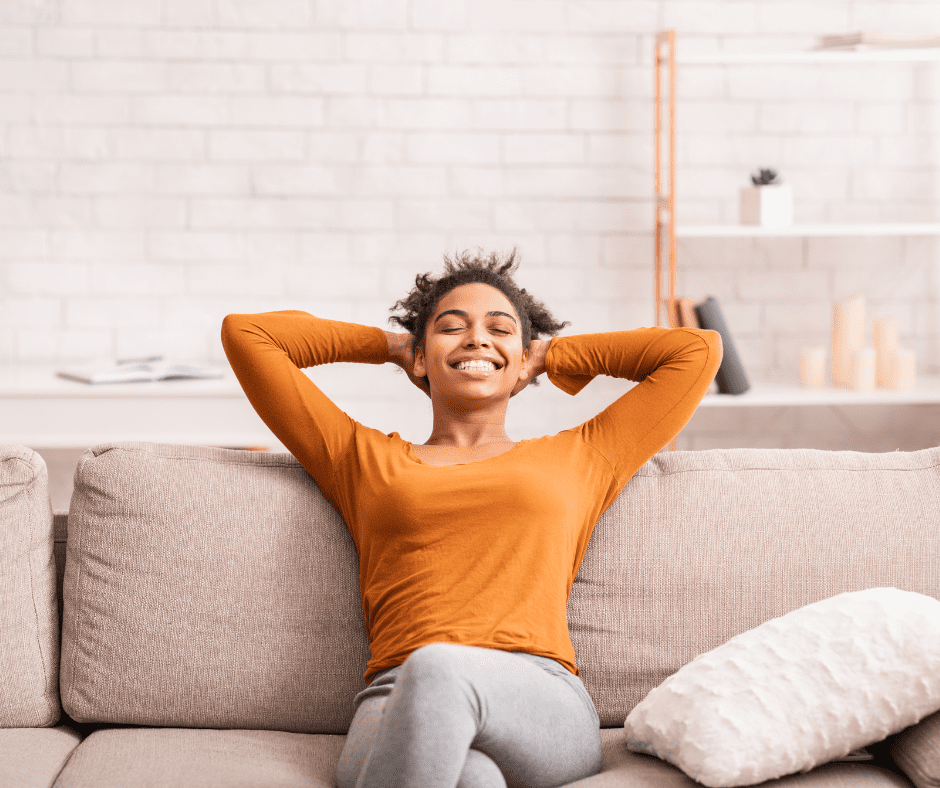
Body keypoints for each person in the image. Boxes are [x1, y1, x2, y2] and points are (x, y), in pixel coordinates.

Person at [220, 248, 722, 788]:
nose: (477, 339)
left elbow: (695, 350)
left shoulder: (582, 456)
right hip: (394, 697)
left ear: (523, 358)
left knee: (440, 668)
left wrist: (546, 354)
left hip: (538, 696)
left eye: (499, 329)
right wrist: (394, 346)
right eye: (451, 328)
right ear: (421, 357)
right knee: (473, 777)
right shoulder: (360, 459)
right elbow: (248, 335)